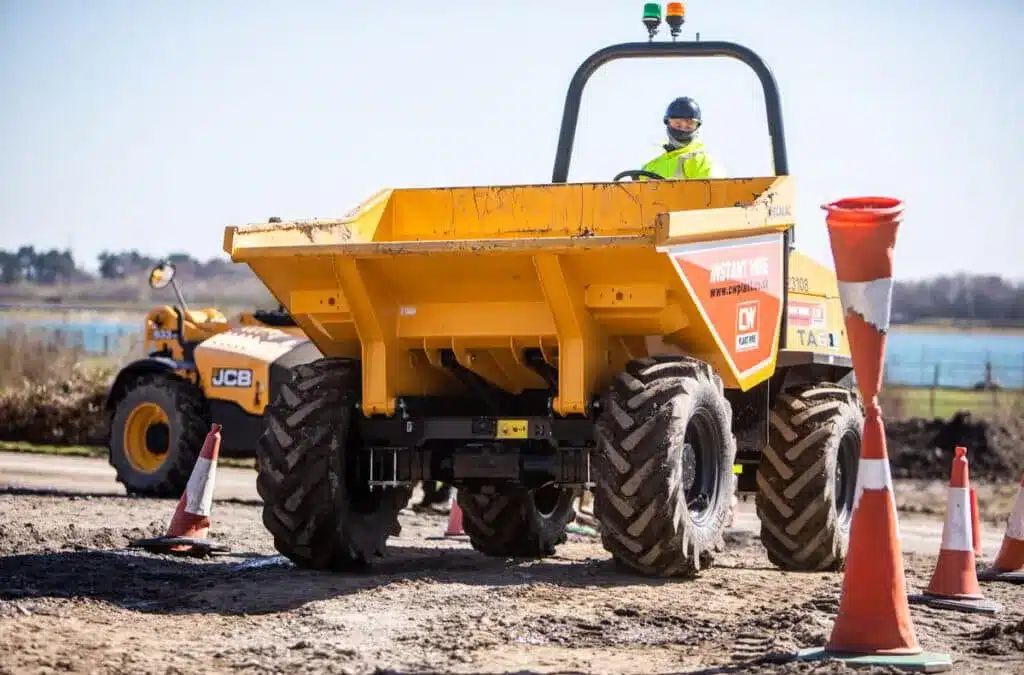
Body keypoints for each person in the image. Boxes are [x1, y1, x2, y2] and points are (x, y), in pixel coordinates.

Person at [640, 96, 726, 180]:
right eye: (677, 123)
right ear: (667, 123)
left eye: (689, 124)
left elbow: (713, 191)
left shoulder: (703, 162)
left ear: (697, 126)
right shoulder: (650, 167)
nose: (683, 128)